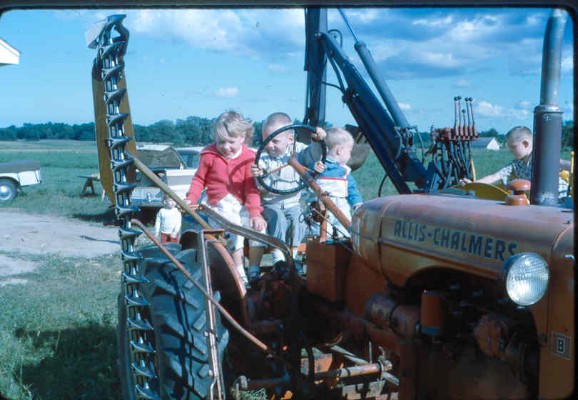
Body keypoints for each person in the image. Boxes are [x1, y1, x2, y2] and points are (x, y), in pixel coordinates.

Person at [185, 111, 267, 287]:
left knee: (258, 229)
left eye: (231, 142)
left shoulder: (249, 157)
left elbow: (251, 188)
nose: (225, 147)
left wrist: (255, 214)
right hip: (218, 204)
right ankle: (238, 269)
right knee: (233, 226)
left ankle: (254, 269)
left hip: (242, 204)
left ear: (242, 137)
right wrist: (191, 197)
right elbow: (199, 179)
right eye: (221, 142)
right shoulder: (208, 155)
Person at [250, 112, 326, 279]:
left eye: (275, 140)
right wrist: (259, 173)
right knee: (278, 217)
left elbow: (313, 155)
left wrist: (316, 140)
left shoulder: (298, 151)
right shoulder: (262, 156)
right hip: (270, 204)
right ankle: (279, 259)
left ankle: (292, 257)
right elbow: (259, 171)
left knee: (298, 219)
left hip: (292, 202)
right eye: (266, 140)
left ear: (290, 139)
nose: (269, 145)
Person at [461, 126, 570, 199]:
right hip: (536, 201)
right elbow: (495, 176)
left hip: (560, 200)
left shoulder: (544, 158)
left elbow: (565, 164)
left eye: (513, 147)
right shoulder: (516, 164)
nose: (510, 151)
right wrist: (473, 185)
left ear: (526, 144)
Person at [312, 127, 363, 238]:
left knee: (346, 230)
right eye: (349, 151)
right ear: (339, 150)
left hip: (341, 206)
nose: (350, 156)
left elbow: (352, 189)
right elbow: (310, 178)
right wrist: (315, 170)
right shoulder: (321, 165)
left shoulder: (345, 170)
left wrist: (357, 203)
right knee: (321, 232)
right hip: (322, 205)